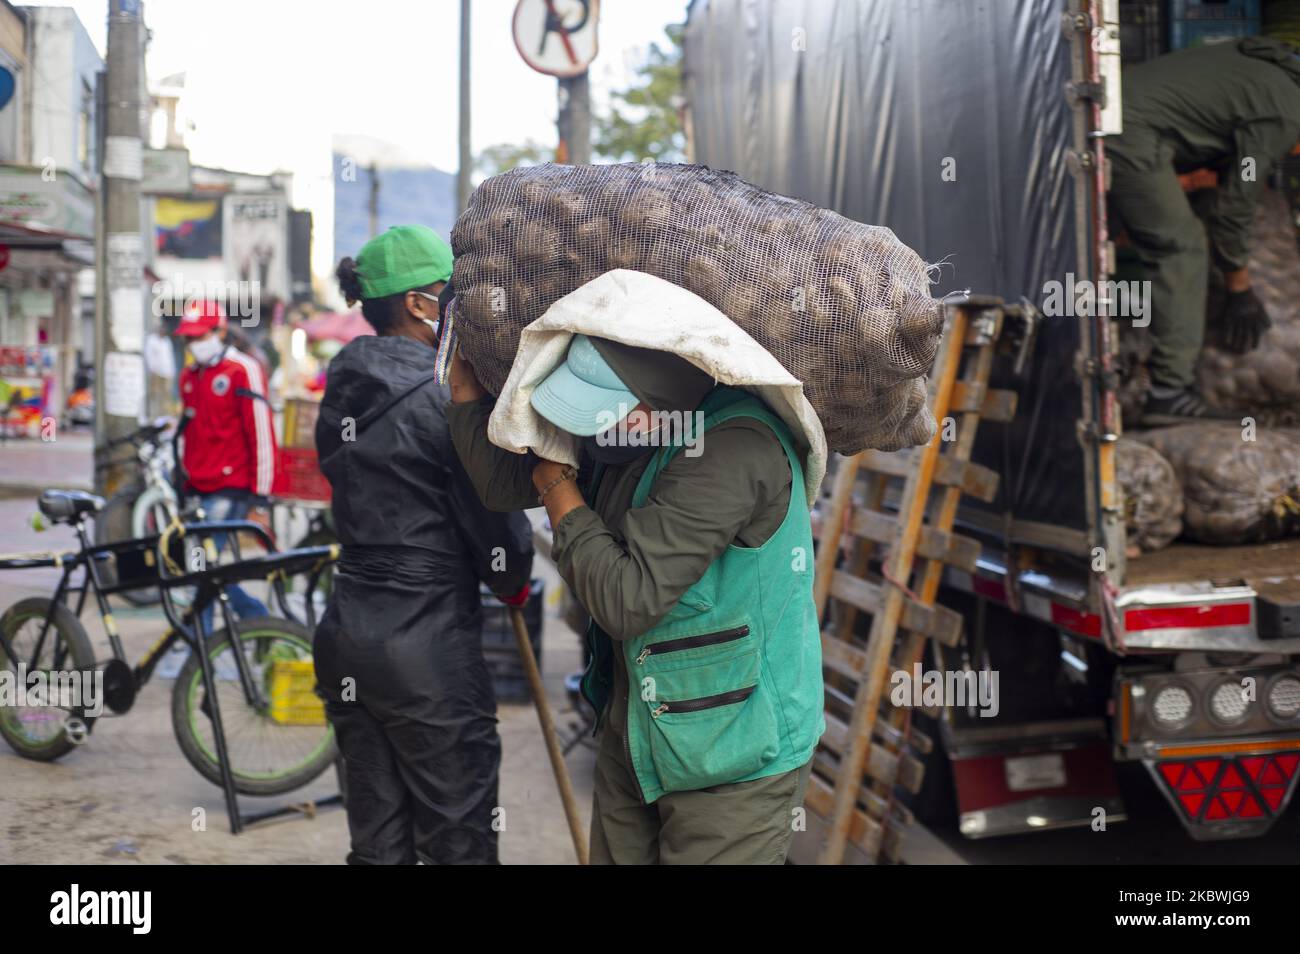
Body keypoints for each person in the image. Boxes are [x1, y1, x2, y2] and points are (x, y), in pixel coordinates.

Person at [448, 334, 823, 865]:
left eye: (606, 413)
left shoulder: (735, 445)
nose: (594, 428)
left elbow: (629, 599)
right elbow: (504, 485)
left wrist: (560, 490)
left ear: (667, 399)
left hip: (733, 753)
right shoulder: (628, 434)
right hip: (639, 731)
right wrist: (466, 397)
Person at [314, 225, 534, 865]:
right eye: (450, 295)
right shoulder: (449, 399)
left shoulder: (341, 389)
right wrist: (512, 579)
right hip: (427, 652)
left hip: (347, 636)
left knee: (377, 846)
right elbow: (493, 517)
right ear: (418, 303)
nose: (459, 310)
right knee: (457, 842)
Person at [1107, 35, 1300, 424]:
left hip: (1114, 117)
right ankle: (1168, 392)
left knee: (1096, 248)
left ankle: (1093, 372)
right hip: (1129, 134)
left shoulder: (1273, 71)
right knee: (1182, 247)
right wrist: (1239, 287)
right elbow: (1234, 206)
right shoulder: (1285, 113)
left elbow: (1232, 161)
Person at [174, 299, 276, 632]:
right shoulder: (190, 375)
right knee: (207, 569)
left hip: (229, 489)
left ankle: (199, 644)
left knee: (200, 566)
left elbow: (261, 433)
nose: (193, 345)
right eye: (188, 339)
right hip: (196, 488)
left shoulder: (242, 369)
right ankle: (256, 617)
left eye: (199, 336)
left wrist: (261, 499)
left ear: (219, 331)